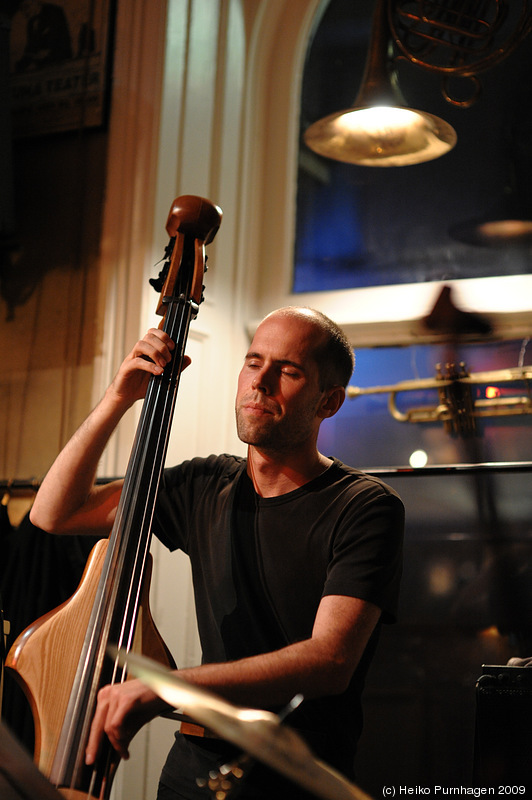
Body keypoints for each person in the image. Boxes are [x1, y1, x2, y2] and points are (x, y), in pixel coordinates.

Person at [30, 306, 404, 799]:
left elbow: (329, 660)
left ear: (328, 402)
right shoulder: (205, 483)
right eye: (253, 362)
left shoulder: (364, 506)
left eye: (288, 371)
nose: (260, 383)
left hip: (296, 777)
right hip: (194, 769)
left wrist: (168, 686)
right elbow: (54, 512)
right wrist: (119, 398)